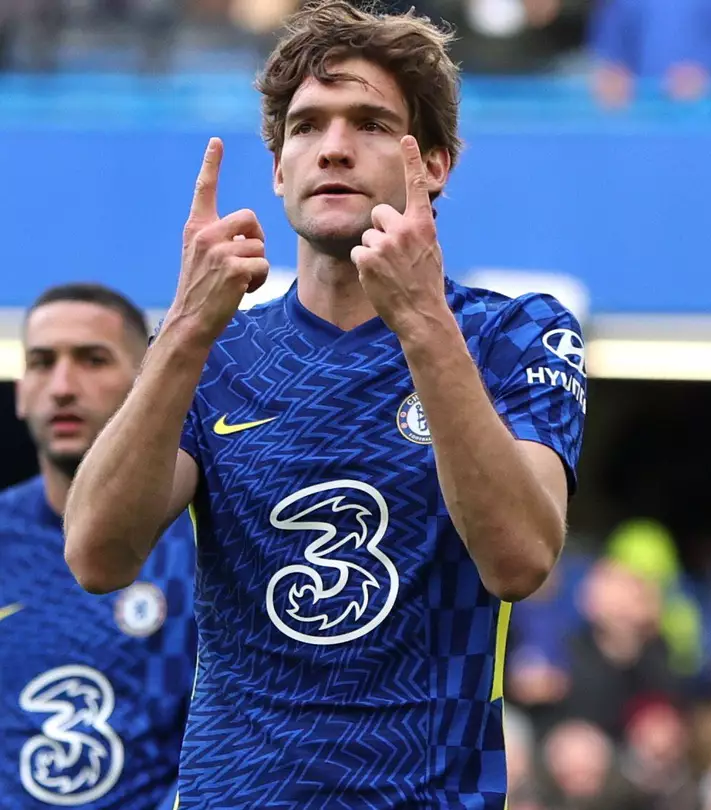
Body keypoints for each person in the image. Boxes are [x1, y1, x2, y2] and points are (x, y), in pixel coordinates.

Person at [62, 2, 587, 806]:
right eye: (305, 128)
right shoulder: (218, 351)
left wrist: (420, 322)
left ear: (436, 163)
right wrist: (183, 332)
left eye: (371, 123)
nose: (333, 147)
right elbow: (98, 556)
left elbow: (519, 559)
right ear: (278, 171)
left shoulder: (516, 333)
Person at [0, 283, 195, 809]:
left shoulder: (203, 543)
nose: (62, 386)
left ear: (146, 384)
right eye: (42, 362)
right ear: (19, 392)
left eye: (92, 360)